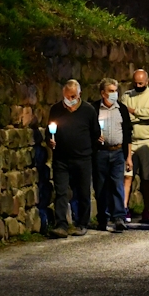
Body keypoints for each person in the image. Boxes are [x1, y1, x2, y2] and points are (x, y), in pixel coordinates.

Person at [47, 80, 100, 238]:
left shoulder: (88, 110)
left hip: (83, 158)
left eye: (73, 96)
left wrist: (90, 151)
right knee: (61, 191)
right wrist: (50, 140)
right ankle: (61, 224)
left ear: (79, 95)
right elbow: (49, 131)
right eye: (66, 96)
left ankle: (82, 223)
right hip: (61, 158)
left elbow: (95, 133)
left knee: (83, 191)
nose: (69, 99)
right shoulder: (56, 109)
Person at [91, 78, 133, 233]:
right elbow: (89, 131)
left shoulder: (121, 109)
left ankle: (119, 217)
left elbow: (128, 134)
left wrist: (128, 157)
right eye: (110, 91)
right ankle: (103, 217)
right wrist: (95, 137)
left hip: (117, 152)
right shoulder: (94, 109)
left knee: (117, 184)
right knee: (100, 186)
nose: (114, 94)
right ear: (103, 93)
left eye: (116, 91)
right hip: (100, 153)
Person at [120, 69, 149, 224]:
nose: (138, 85)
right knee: (127, 176)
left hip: (148, 140)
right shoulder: (126, 96)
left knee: (147, 177)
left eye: (141, 83)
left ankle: (146, 209)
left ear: (147, 81)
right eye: (135, 83)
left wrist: (134, 112)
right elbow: (125, 116)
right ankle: (124, 208)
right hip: (131, 140)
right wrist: (140, 115)